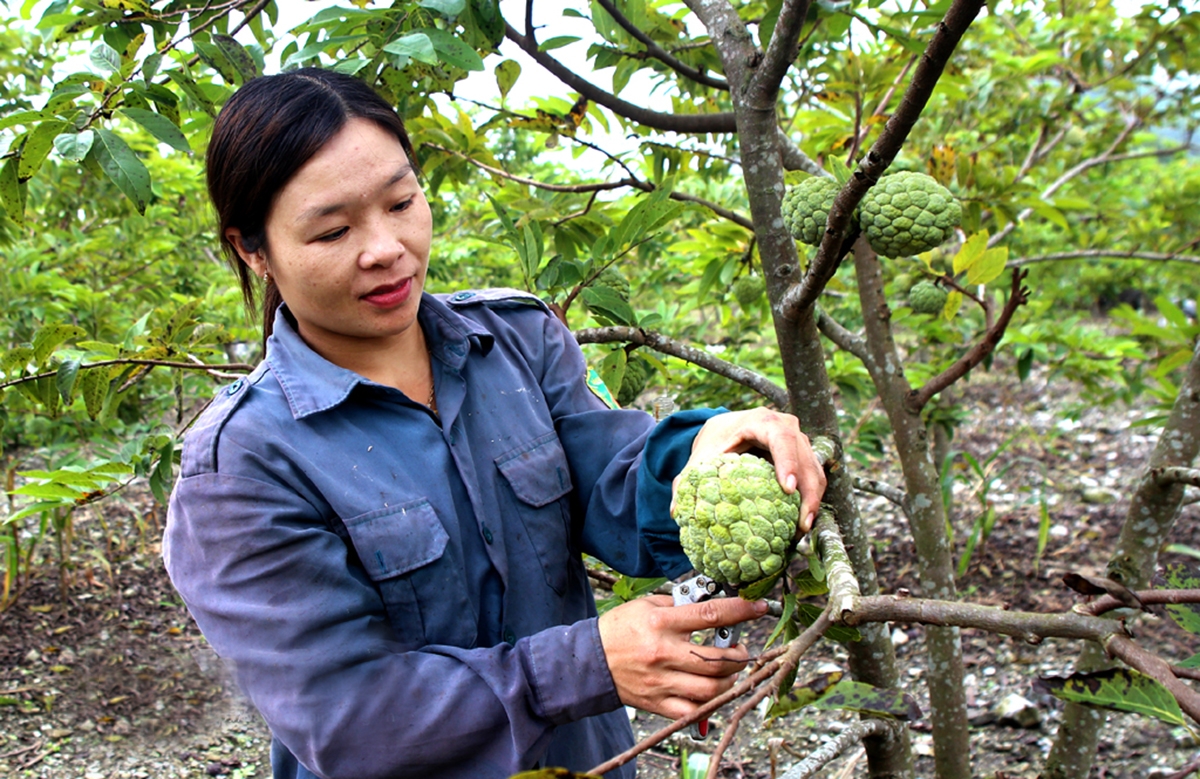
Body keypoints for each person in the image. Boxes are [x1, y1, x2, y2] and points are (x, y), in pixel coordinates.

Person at [163, 67, 826, 779]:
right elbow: (349, 718)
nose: (385, 246)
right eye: (332, 230)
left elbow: (611, 484)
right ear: (252, 248)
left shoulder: (517, 340)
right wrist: (584, 663)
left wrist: (716, 454)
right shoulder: (240, 466)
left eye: (401, 201)